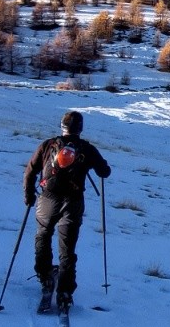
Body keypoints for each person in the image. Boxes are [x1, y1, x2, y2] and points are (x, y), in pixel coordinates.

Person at [23, 110, 111, 312]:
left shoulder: (47, 145)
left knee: (43, 236)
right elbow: (104, 172)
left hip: (47, 200)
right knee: (67, 247)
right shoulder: (86, 148)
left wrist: (28, 197)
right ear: (80, 128)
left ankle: (45, 278)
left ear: (62, 126)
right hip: (73, 202)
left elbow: (30, 171)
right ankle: (65, 292)